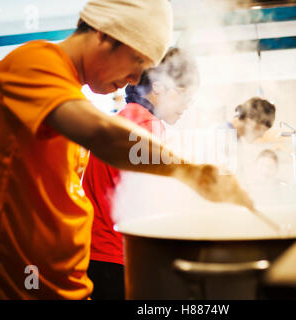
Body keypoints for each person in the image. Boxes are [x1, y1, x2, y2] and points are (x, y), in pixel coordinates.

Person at [0, 0, 253, 300]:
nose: (137, 80)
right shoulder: (33, 62)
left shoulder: (69, 93)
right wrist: (191, 173)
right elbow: (104, 135)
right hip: (11, 288)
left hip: (63, 284)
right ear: (104, 34)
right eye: (137, 61)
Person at [82, 47, 199, 300]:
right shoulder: (147, 126)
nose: (186, 106)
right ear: (159, 87)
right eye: (185, 96)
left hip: (98, 255)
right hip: (119, 258)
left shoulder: (125, 118)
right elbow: (152, 202)